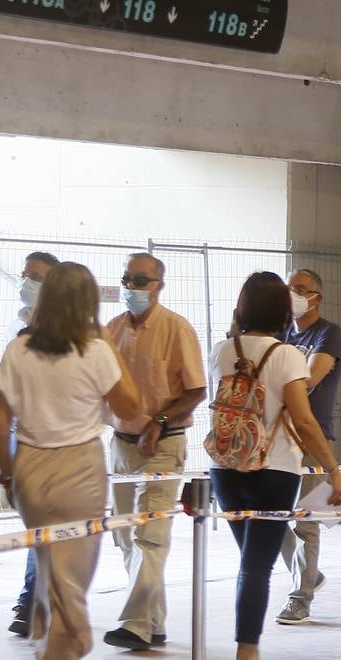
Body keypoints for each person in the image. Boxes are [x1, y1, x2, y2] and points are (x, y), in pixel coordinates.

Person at [0, 261, 141, 660]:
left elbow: (2, 419)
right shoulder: (95, 351)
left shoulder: (18, 348)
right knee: (71, 574)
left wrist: (8, 476)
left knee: (49, 564)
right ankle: (67, 645)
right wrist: (108, 343)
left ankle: (46, 639)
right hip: (80, 469)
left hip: (28, 466)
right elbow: (130, 406)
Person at [209, 272, 341, 660]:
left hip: (225, 468)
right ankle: (247, 650)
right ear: (282, 309)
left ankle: (247, 646)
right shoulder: (287, 354)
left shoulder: (222, 350)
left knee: (249, 561)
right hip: (275, 470)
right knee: (257, 565)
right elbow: (304, 422)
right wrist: (334, 472)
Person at [102, 253, 206, 651]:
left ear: (159, 285)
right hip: (122, 447)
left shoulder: (177, 328)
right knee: (127, 538)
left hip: (163, 445)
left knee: (151, 536)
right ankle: (154, 622)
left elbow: (196, 390)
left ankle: (135, 623)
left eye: (140, 280)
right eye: (127, 278)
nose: (131, 286)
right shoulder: (111, 330)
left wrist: (158, 422)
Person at [277, 268, 341, 625]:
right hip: (278, 439)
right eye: (289, 288)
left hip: (314, 437)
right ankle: (308, 574)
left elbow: (308, 379)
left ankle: (300, 597)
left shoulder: (328, 334)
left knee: (307, 522)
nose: (292, 294)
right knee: (271, 518)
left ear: (317, 297)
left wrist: (283, 387)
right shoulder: (280, 333)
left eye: (300, 289)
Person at [9, 250, 58, 637]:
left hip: (58, 445)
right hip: (22, 437)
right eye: (25, 274)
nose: (27, 282)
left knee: (45, 528)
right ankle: (36, 598)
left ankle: (33, 601)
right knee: (38, 528)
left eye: (36, 276)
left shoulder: (72, 335)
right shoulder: (19, 327)